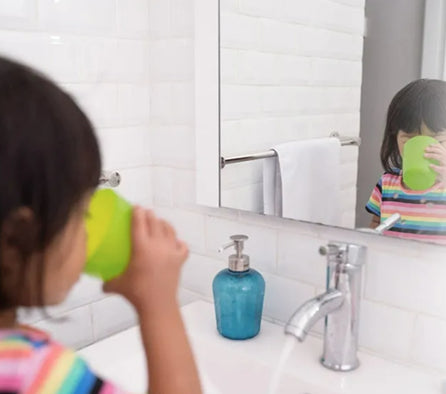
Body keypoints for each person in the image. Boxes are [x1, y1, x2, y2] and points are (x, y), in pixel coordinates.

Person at [0, 57, 202, 393]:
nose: (88, 229)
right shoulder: (30, 372)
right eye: (81, 212)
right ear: (16, 238)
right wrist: (159, 304)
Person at [366, 79, 446, 244]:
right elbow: (376, 223)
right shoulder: (387, 183)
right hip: (395, 265)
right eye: (409, 138)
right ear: (394, 137)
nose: (424, 149)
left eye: (437, 140)